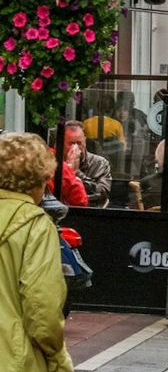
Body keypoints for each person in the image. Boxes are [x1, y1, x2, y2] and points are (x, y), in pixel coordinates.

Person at [0, 133, 73, 371]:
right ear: (38, 180)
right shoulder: (34, 225)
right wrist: (58, 357)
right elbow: (41, 308)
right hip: (12, 356)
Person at [63, 120, 111, 208]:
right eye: (71, 144)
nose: (75, 148)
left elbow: (102, 194)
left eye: (79, 143)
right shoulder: (53, 162)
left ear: (85, 141)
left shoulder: (100, 163)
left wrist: (76, 173)